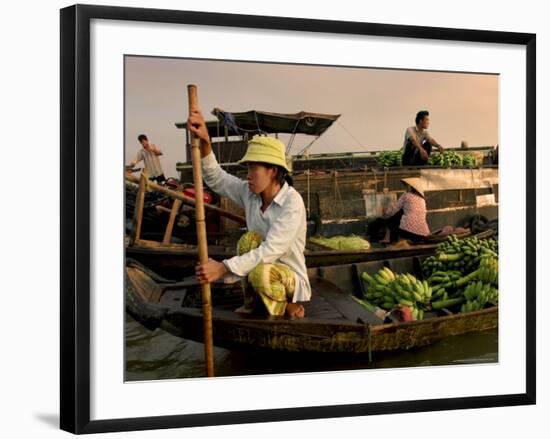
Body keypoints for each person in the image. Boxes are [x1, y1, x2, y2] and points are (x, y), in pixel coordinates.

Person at [187, 108, 310, 318]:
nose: (248, 175)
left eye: (253, 168)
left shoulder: (292, 202)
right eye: (248, 169)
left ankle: (287, 305)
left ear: (272, 171)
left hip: (288, 278)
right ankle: (253, 301)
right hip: (259, 272)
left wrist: (223, 268)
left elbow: (271, 250)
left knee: (262, 273)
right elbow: (217, 178)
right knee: (248, 240)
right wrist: (206, 142)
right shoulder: (250, 193)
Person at [379, 178, 430, 245]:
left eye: (407, 186)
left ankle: (393, 241)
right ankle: (391, 239)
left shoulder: (406, 195)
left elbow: (394, 209)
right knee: (402, 212)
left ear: (411, 187)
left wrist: (384, 214)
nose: (406, 187)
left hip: (407, 231)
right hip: (423, 233)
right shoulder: (422, 200)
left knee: (391, 218)